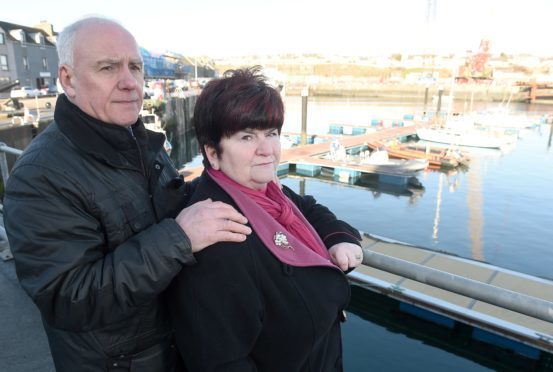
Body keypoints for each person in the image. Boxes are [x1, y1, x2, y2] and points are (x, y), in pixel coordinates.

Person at [2, 16, 254, 372]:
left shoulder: (138, 142)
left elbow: (167, 206)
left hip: (175, 346)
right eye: (108, 68)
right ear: (68, 80)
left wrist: (232, 180)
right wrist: (179, 238)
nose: (129, 82)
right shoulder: (40, 177)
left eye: (135, 67)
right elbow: (68, 297)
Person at [169, 66, 364, 371]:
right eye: (247, 137)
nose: (267, 150)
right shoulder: (222, 234)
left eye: (271, 133)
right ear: (213, 153)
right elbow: (221, 361)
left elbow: (308, 208)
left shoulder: (267, 192)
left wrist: (339, 238)